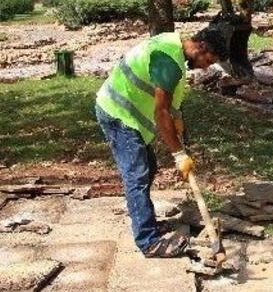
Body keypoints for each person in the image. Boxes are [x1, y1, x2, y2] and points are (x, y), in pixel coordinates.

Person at [95, 26, 228, 258]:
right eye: (208, 60)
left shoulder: (173, 46)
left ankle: (145, 220)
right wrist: (179, 155)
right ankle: (148, 242)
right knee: (137, 176)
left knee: (148, 168)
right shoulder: (169, 62)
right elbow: (161, 113)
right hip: (117, 113)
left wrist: (177, 117)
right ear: (201, 46)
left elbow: (168, 100)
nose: (206, 67)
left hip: (127, 114)